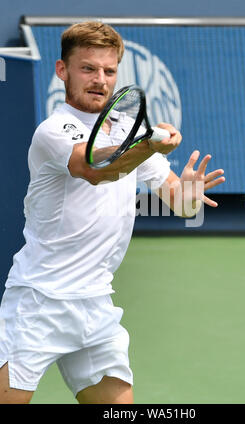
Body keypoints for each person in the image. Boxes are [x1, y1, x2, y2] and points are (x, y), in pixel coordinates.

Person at [0, 21, 225, 404]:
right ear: (62, 71)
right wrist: (150, 147)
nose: (99, 79)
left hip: (96, 305)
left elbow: (179, 202)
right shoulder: (54, 130)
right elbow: (94, 168)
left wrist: (188, 190)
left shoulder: (128, 129)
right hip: (39, 302)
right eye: (87, 68)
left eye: (108, 71)